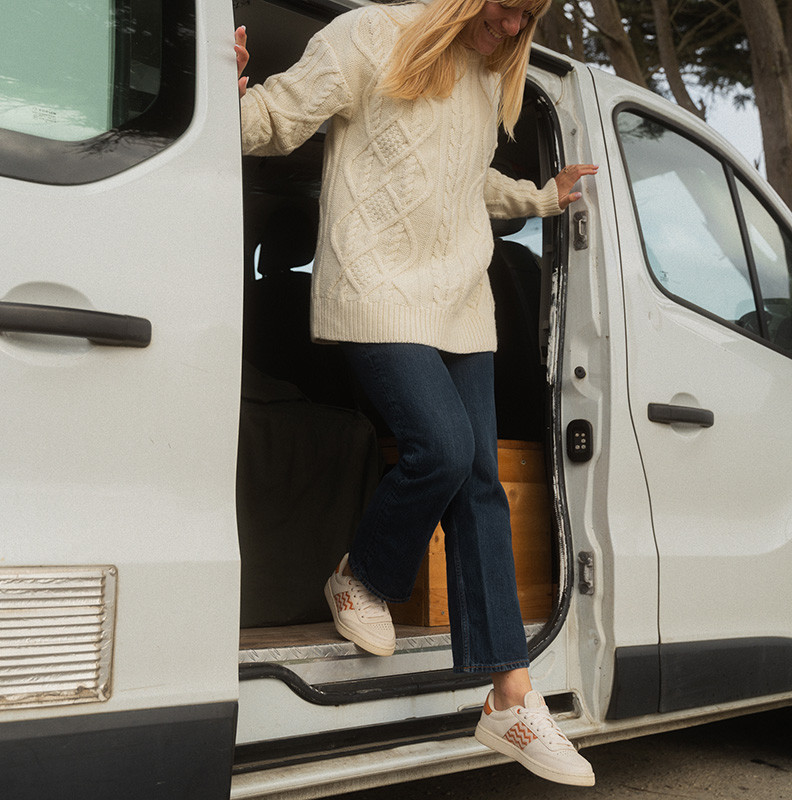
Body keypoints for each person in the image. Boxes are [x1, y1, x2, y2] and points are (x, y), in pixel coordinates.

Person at [235, 0, 597, 786]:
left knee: (481, 487)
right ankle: (361, 577)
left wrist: (541, 198)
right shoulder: (369, 36)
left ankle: (510, 698)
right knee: (444, 448)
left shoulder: (488, 74)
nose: (512, 29)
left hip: (461, 299)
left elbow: (466, 182)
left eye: (528, 18)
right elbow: (278, 119)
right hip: (374, 286)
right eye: (506, 8)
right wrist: (225, 98)